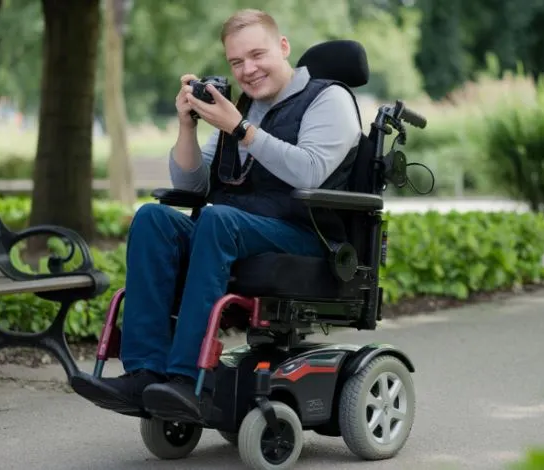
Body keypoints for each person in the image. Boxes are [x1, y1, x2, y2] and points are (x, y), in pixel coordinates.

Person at [98, 8, 362, 421]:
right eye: (237, 62)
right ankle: (144, 374)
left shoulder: (330, 100)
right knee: (152, 218)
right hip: (231, 230)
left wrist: (240, 129)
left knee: (218, 219)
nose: (248, 70)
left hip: (305, 234)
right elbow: (190, 188)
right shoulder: (241, 108)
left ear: (284, 47)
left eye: (257, 55)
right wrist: (188, 126)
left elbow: (309, 171)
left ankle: (186, 378)